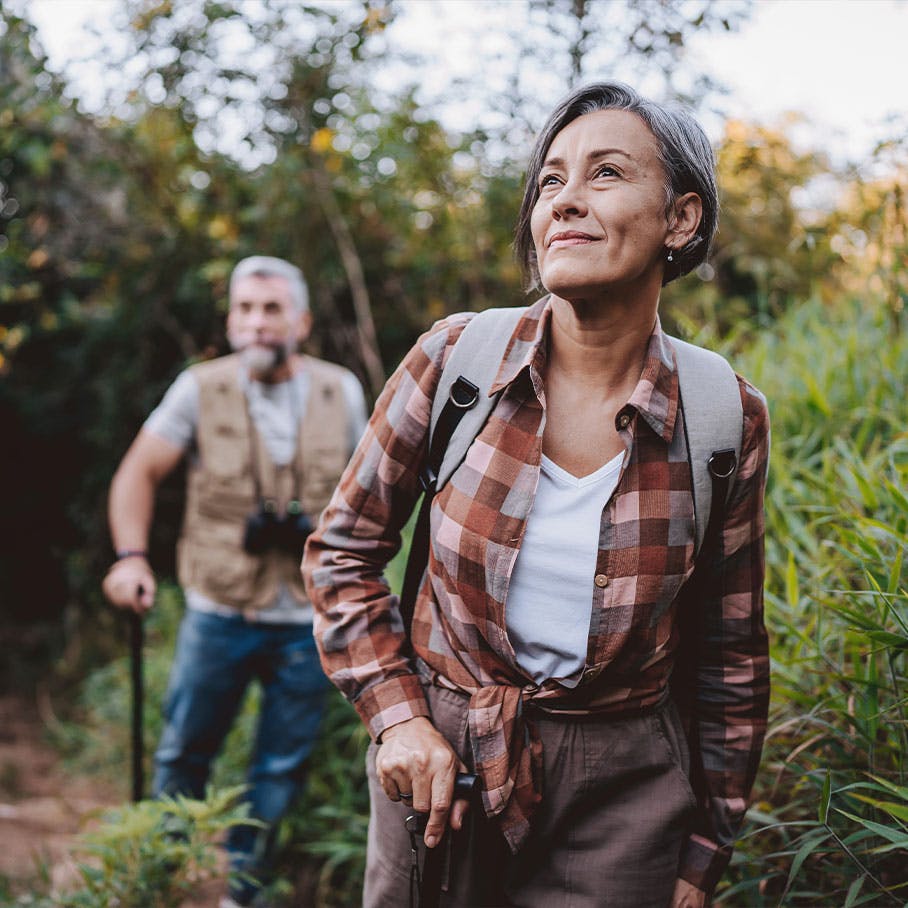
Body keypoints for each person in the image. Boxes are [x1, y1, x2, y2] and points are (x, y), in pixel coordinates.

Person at [303, 82, 770, 908]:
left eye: (606, 174)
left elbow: (732, 655)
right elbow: (344, 551)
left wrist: (705, 849)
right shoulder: (457, 362)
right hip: (439, 771)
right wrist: (399, 717)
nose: (566, 202)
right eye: (551, 182)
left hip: (625, 791)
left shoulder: (721, 415)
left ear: (682, 219)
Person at [102, 255, 367, 908]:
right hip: (217, 610)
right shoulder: (200, 387)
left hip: (308, 619)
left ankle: (240, 895)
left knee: (280, 769)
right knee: (184, 754)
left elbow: (369, 498)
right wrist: (131, 556)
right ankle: (160, 879)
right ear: (230, 320)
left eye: (272, 309)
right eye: (245, 309)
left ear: (300, 321)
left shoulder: (343, 391)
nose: (257, 323)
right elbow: (136, 473)